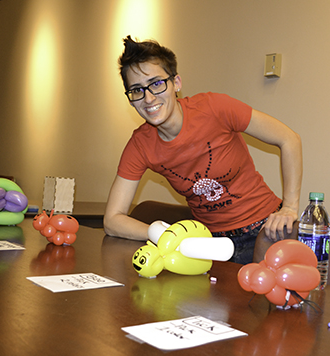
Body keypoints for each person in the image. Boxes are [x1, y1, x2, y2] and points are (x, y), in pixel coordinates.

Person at [104, 36, 302, 264]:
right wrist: (164, 235)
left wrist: (289, 207)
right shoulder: (141, 144)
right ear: (131, 100)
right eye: (137, 90)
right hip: (206, 245)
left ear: (176, 83)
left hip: (265, 232)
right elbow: (112, 220)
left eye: (156, 83)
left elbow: (289, 139)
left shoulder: (215, 108)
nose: (148, 98)